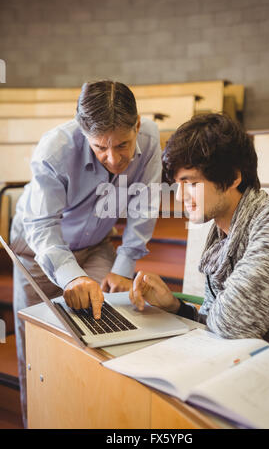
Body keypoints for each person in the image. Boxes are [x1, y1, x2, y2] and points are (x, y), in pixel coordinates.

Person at [11, 80, 162, 427]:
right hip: (38, 252)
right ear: (83, 133)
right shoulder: (54, 150)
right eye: (100, 148)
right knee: (37, 346)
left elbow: (145, 206)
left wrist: (124, 265)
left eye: (123, 144)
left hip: (95, 244)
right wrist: (72, 276)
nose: (114, 159)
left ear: (137, 124)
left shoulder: (151, 140)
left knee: (109, 327)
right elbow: (43, 227)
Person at [130, 113, 269, 346]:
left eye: (190, 183)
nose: (180, 196)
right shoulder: (219, 240)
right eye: (177, 185)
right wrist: (175, 307)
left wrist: (211, 318)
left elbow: (233, 323)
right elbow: (212, 322)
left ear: (233, 177)